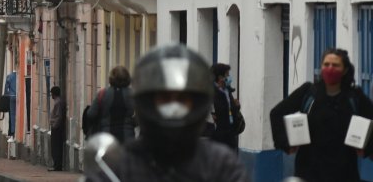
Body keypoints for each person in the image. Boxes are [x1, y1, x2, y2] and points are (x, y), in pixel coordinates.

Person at [84, 45, 248, 182]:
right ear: (146, 102)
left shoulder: (221, 166)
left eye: (182, 99)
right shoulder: (117, 168)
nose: (173, 108)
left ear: (198, 103)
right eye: (164, 99)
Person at [271, 47, 373, 181]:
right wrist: (286, 144)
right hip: (309, 172)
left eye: (335, 65)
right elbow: (276, 113)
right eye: (326, 64)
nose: (330, 68)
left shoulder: (354, 97)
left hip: (344, 172)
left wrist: (367, 149)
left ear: (345, 70)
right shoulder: (308, 93)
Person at [85, 65, 137, 142]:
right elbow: (142, 115)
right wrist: (131, 123)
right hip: (127, 137)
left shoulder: (102, 94)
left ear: (111, 78)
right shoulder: (134, 95)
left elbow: (90, 114)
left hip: (106, 138)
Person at [207, 62, 242, 149]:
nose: (229, 77)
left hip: (230, 133)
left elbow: (230, 109)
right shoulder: (211, 92)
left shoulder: (227, 90)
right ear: (220, 77)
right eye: (227, 75)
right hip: (218, 136)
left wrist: (236, 107)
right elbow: (216, 112)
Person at [49, 86, 66, 171]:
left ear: (54, 94)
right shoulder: (58, 101)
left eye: (52, 93)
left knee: (56, 147)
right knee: (55, 147)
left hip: (57, 128)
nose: (51, 95)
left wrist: (54, 126)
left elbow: (59, 116)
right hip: (56, 127)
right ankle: (56, 165)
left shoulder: (58, 102)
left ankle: (57, 165)